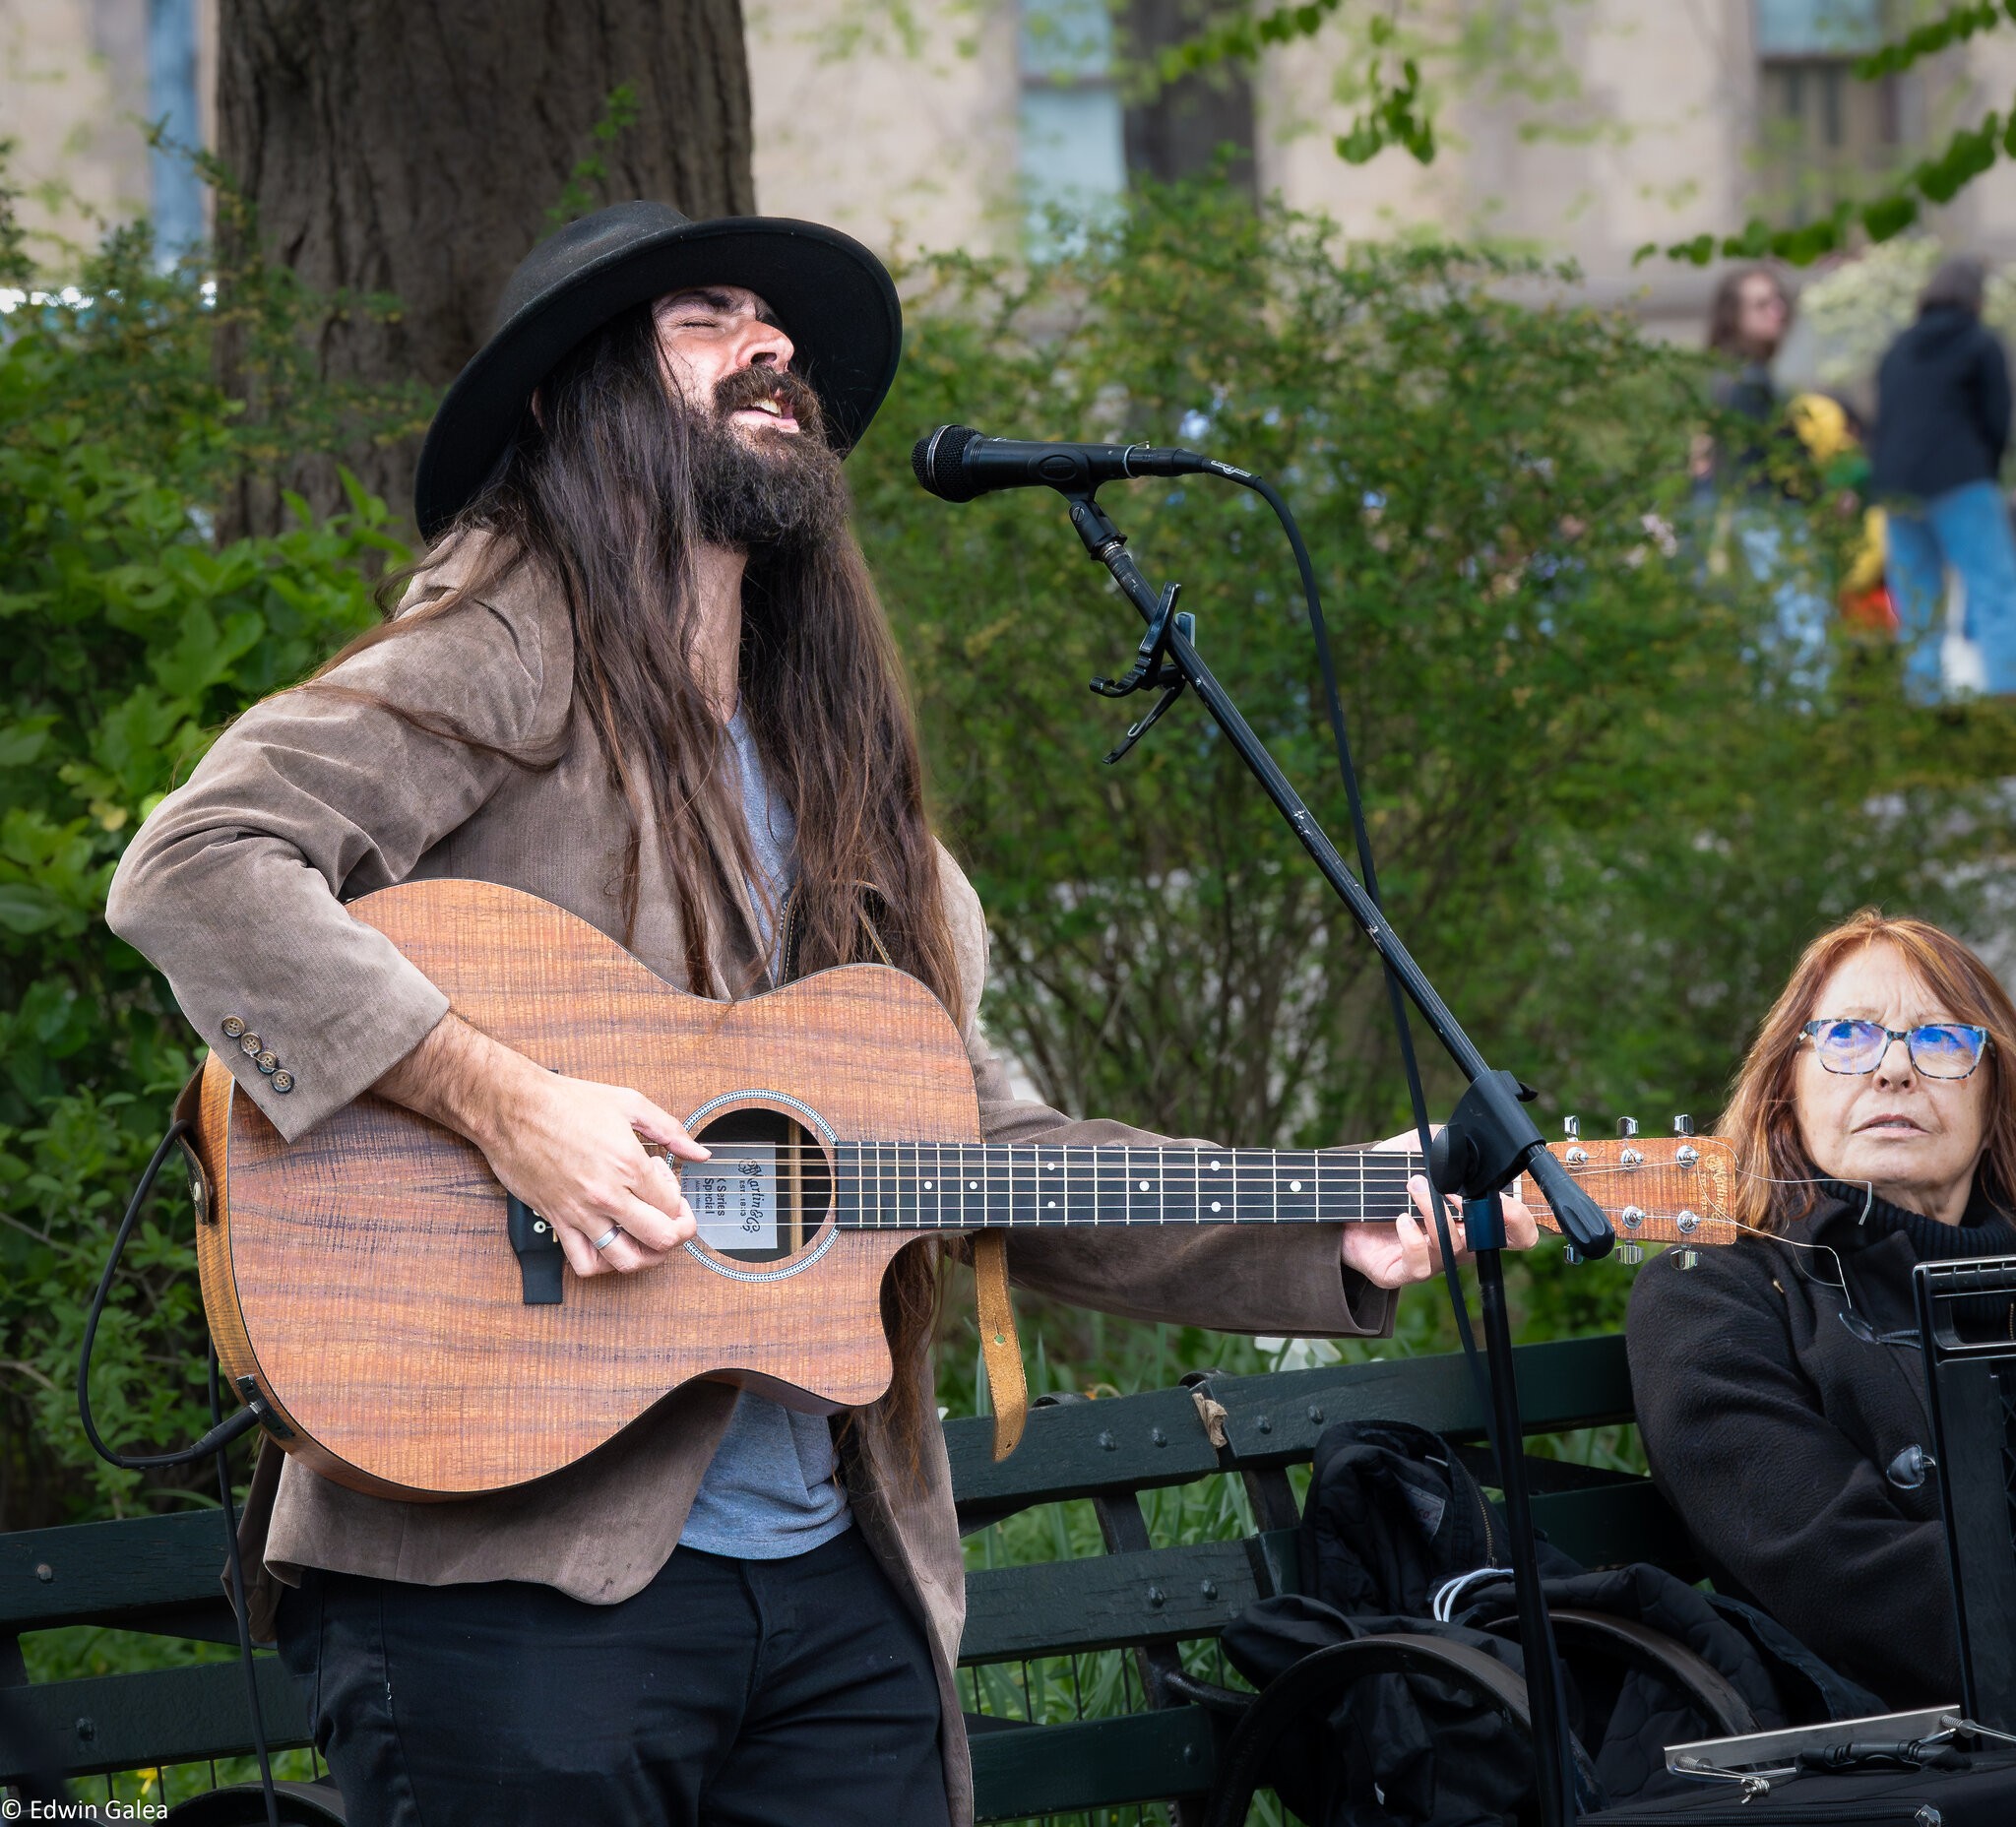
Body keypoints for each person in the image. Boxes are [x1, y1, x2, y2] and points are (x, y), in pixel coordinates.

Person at [105, 201, 1536, 1827]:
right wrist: (505, 1101)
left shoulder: (839, 774)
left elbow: (975, 1145)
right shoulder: (493, 659)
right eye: (706, 317)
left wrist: (1318, 1218)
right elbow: (198, 866)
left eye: (776, 325)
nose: (770, 344)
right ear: (567, 399)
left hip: (837, 1580)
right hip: (506, 1573)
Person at [1628, 910, 2016, 1709]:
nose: (1895, 1071)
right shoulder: (1712, 1291)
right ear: (1785, 1095)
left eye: (1943, 1041)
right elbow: (1838, 1570)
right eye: (1849, 1036)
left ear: (1994, 1101)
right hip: (1897, 1745)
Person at [1870, 255, 2016, 699]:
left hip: (1897, 488)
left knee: (1916, 602)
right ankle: (2005, 708)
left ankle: (1923, 710)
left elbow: (1886, 416)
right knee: (1996, 593)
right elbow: (1997, 418)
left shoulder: (1898, 347)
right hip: (1960, 478)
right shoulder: (1978, 342)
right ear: (1976, 296)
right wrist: (1984, 472)